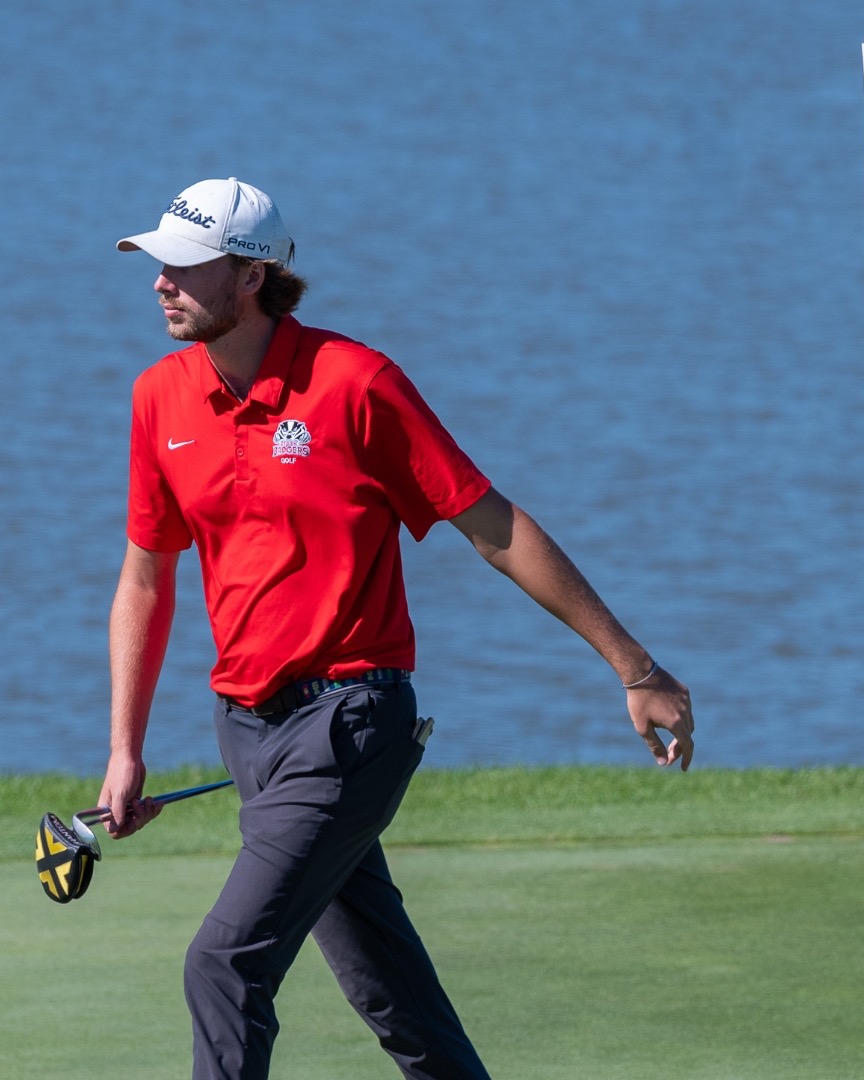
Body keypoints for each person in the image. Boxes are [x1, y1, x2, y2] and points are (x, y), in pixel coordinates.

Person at [99, 177, 694, 1080]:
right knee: (388, 989)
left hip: (349, 725)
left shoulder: (354, 383)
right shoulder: (160, 398)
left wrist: (635, 666)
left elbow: (492, 528)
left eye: (185, 265)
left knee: (223, 966)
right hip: (247, 734)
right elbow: (146, 577)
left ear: (252, 276)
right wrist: (124, 748)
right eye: (158, 264)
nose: (160, 282)